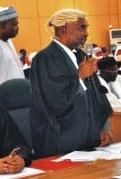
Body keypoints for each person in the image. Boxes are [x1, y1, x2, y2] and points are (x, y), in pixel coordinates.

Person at [30, 9, 113, 158]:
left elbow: (97, 96)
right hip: (61, 144)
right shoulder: (45, 59)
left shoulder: (81, 56)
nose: (87, 33)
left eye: (86, 27)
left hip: (89, 144)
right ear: (63, 29)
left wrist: (103, 127)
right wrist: (80, 77)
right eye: (82, 28)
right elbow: (55, 103)